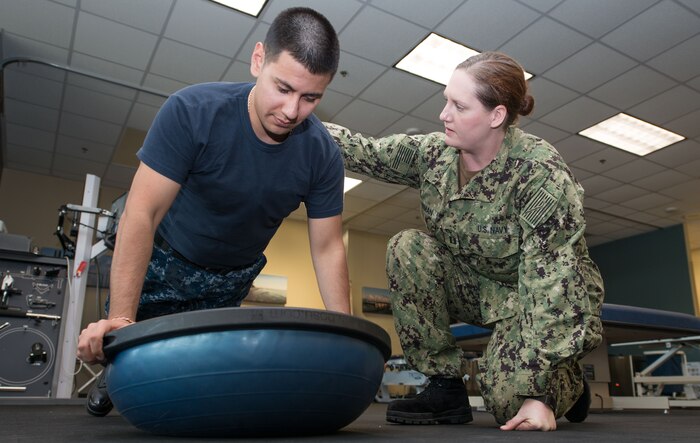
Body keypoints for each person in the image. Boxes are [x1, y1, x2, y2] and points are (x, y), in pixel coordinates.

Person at [77, 7, 350, 416]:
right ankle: (116, 384)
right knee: (132, 364)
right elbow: (141, 214)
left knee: (197, 380)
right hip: (165, 261)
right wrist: (121, 316)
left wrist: (345, 335)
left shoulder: (322, 156)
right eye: (283, 88)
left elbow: (328, 248)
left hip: (231, 278)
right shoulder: (192, 111)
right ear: (259, 59)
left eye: (310, 98)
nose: (292, 111)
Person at [325, 51, 604, 431]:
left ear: (496, 115)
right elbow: (366, 152)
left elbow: (553, 283)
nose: (444, 114)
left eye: (459, 105)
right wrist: (297, 117)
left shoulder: (539, 173)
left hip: (536, 294)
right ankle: (445, 386)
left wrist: (541, 394)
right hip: (477, 284)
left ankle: (566, 380)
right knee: (408, 247)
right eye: (446, 101)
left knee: (509, 404)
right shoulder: (434, 154)